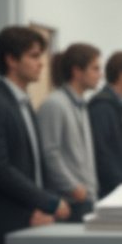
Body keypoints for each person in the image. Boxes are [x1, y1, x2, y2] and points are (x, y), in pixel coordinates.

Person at [0, 26, 69, 244]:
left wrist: (43, 204)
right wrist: (46, 201)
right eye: (34, 56)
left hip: (33, 218)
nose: (41, 63)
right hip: (8, 223)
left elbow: (33, 165)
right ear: (11, 60)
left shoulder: (24, 103)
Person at [37, 42, 101, 221]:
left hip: (86, 198)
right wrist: (73, 187)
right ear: (77, 71)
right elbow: (50, 152)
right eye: (95, 69)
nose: (100, 75)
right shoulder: (55, 104)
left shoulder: (81, 105)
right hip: (68, 201)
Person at [89, 50, 122, 198]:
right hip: (111, 188)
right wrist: (120, 183)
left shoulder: (119, 105)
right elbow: (102, 151)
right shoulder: (102, 107)